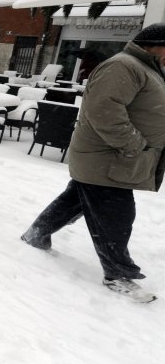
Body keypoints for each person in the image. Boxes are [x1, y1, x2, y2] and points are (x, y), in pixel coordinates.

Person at [21, 23, 165, 303]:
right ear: (154, 45)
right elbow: (104, 110)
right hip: (108, 157)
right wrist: (134, 145)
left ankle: (36, 234)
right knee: (117, 215)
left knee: (74, 199)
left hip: (109, 158)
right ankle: (118, 274)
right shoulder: (124, 66)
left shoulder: (146, 67)